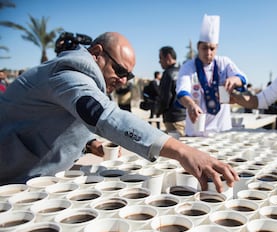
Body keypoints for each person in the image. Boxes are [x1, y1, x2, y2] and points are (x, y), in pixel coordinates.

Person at [0, 32, 239, 191]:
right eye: (119, 70)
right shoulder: (69, 72)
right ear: (96, 53)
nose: (123, 80)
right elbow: (104, 115)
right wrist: (183, 152)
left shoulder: (86, 79)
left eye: (129, 75)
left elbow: (58, 116)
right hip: (11, 175)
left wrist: (88, 143)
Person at [176, 14, 247, 136]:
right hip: (195, 131)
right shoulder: (188, 67)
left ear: (217, 48)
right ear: (198, 47)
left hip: (221, 129)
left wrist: (234, 80)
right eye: (204, 48)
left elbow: (242, 78)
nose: (208, 52)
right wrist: (191, 105)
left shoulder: (224, 63)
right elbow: (182, 91)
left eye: (212, 48)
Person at [157, 46, 186, 136]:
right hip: (185, 117)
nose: (159, 61)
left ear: (168, 57)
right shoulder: (183, 71)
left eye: (160, 58)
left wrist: (158, 110)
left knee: (176, 147)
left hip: (172, 119)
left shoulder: (168, 74)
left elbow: (165, 98)